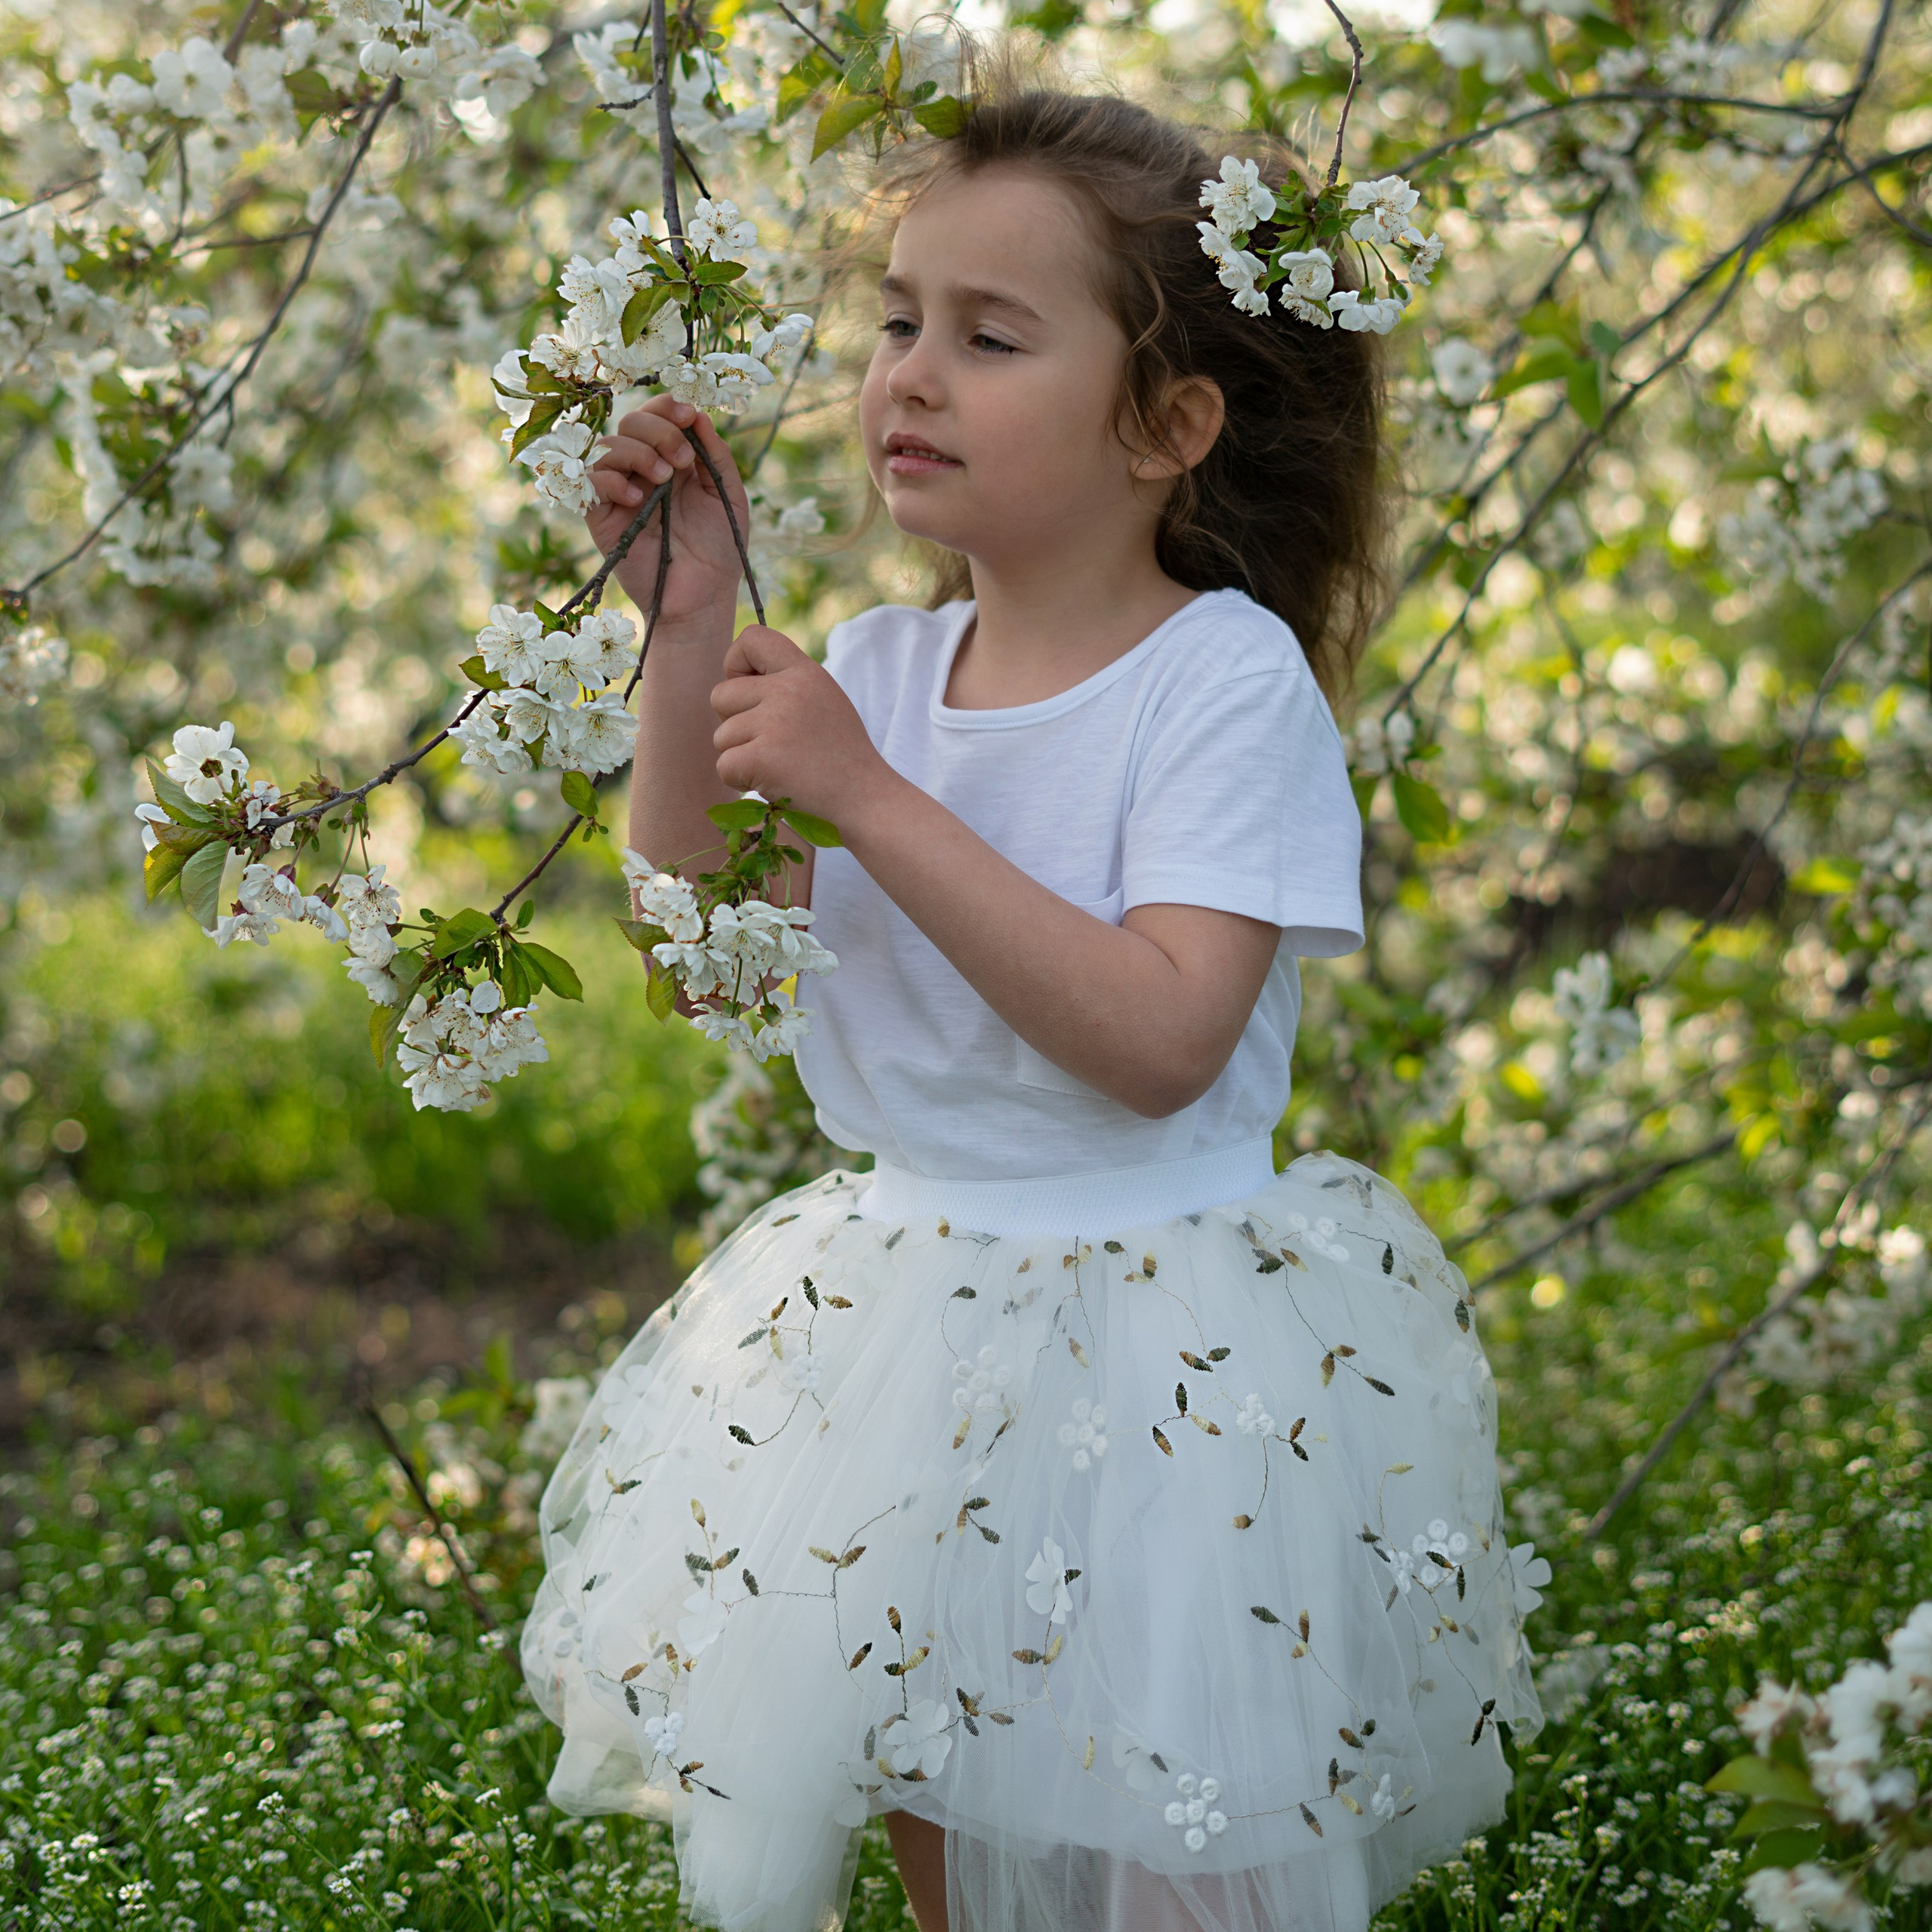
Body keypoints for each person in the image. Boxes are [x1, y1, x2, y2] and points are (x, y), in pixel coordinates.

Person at [520, 72, 1544, 1932]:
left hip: (1172, 1365)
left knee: (1163, 1859)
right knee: (955, 1832)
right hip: (906, 1344)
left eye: (989, 336)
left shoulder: (1216, 686)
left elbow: (1160, 1040)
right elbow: (701, 948)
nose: (908, 374)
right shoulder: (883, 672)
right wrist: (681, 647)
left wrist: (870, 796)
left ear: (1167, 424)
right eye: (895, 322)